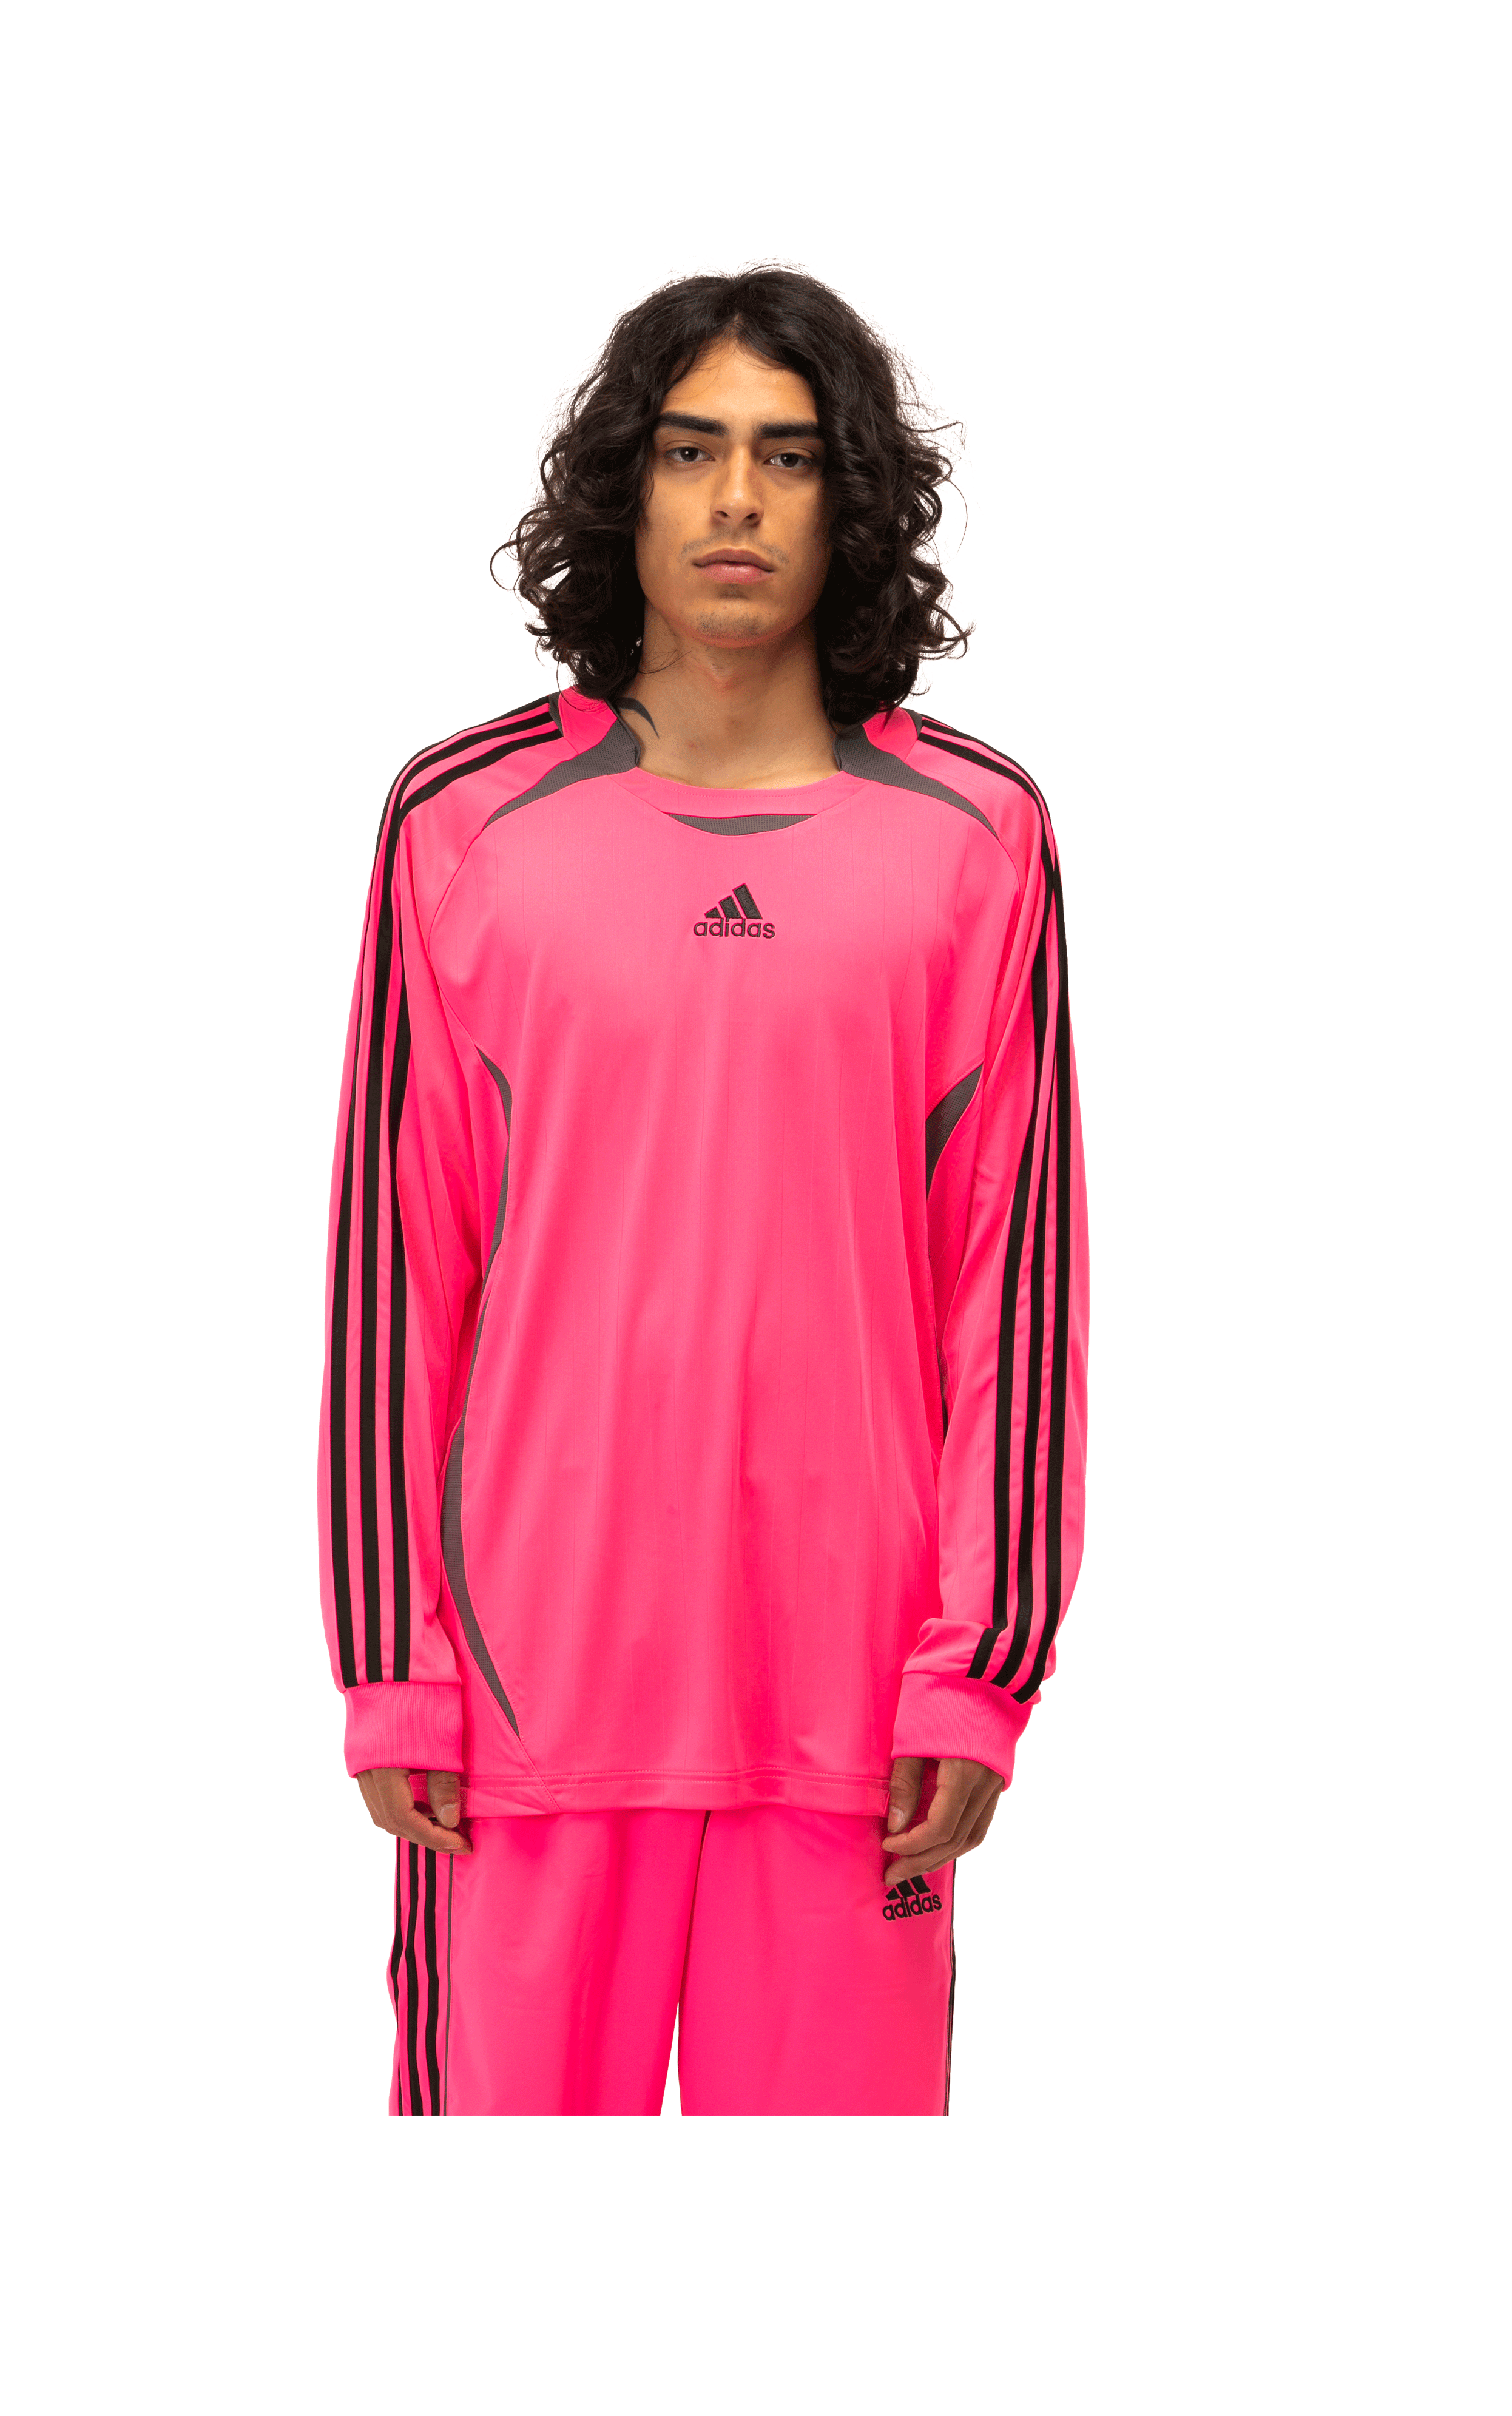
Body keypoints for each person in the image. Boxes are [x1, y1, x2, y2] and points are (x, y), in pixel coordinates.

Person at [317, 266, 1088, 2114]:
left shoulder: (977, 842)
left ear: (854, 498)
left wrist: (976, 1672)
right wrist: (394, 1668)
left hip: (855, 1728)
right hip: (523, 1712)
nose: (738, 499)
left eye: (789, 456)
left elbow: (1018, 1288)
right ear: (625, 485)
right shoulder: (463, 826)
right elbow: (394, 1273)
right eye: (690, 451)